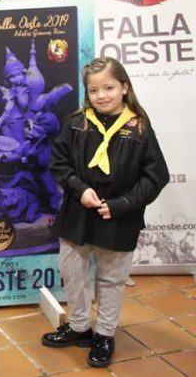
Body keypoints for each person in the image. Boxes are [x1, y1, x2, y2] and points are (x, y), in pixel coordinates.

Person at [41, 57, 168, 367]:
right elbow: (59, 163)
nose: (101, 96)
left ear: (124, 87)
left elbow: (155, 177)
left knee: (111, 279)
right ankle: (80, 326)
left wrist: (123, 204)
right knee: (72, 273)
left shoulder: (139, 128)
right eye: (94, 90)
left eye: (108, 88)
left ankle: (105, 334)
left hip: (119, 218)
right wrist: (79, 189)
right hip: (77, 213)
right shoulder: (76, 123)